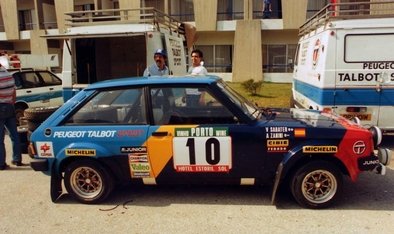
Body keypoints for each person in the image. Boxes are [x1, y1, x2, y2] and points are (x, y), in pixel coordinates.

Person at [0, 62, 23, 170]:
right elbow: (14, 92)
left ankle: (1, 163)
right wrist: (11, 103)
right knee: (14, 135)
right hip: (10, 106)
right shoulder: (8, 74)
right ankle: (17, 159)